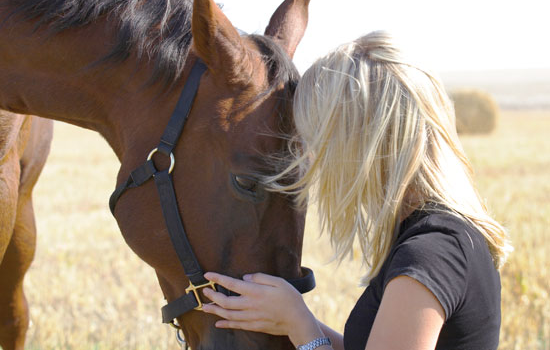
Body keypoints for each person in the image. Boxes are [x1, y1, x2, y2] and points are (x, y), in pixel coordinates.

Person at [201, 30, 512, 350]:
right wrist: (287, 317)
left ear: (358, 144)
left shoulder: (431, 254)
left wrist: (300, 325)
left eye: (316, 138)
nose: (310, 157)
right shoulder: (444, 239)